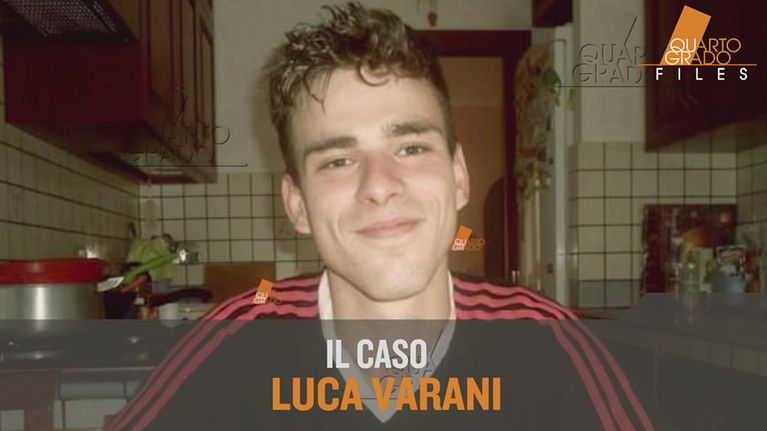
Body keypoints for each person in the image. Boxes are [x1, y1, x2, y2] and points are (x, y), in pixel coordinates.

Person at [106, 3, 653, 430]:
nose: (379, 186)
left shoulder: (550, 345)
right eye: (338, 160)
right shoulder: (231, 344)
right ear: (296, 204)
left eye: (411, 148)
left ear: (459, 176)